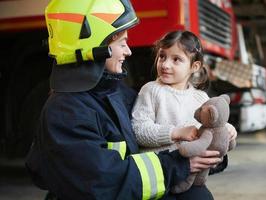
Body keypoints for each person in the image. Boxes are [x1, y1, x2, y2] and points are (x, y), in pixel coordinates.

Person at [25, 1, 223, 200]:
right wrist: (179, 165)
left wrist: (211, 152)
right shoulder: (66, 113)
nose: (128, 51)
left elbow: (159, 137)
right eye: (122, 44)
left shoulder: (114, 92)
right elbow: (105, 182)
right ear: (96, 47)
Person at [131, 30, 237, 197]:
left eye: (176, 59)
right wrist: (176, 133)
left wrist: (228, 129)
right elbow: (139, 130)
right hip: (160, 177)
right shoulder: (150, 90)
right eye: (162, 56)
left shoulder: (200, 97)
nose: (165, 65)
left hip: (191, 177)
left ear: (194, 67)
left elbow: (213, 123)